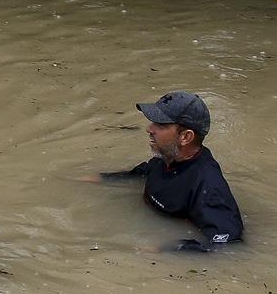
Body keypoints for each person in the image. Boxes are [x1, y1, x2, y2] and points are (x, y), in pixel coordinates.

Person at [100, 91, 243, 251]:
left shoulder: (208, 186)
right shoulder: (167, 156)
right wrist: (98, 178)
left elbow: (226, 243)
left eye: (160, 125)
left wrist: (165, 248)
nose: (149, 128)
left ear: (185, 137)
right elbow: (142, 172)